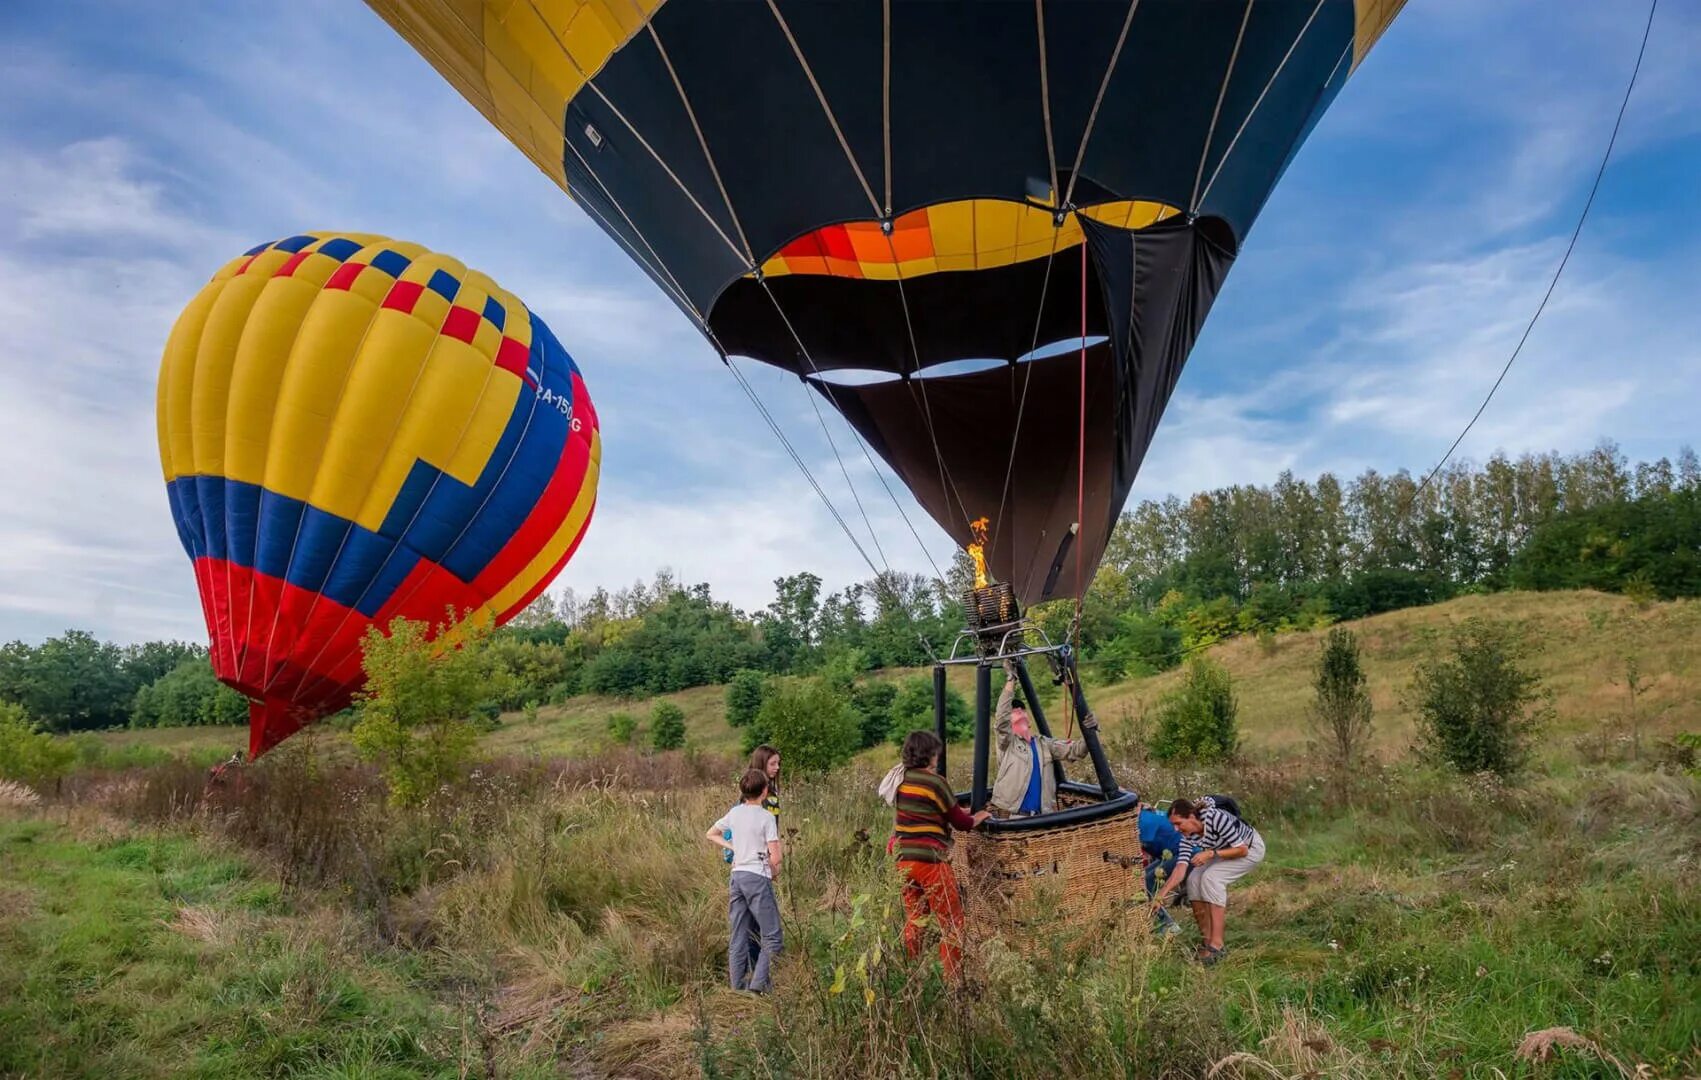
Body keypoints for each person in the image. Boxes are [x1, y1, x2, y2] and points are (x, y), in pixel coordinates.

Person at [892, 730, 990, 980]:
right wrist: (976, 817)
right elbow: (960, 822)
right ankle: (953, 979)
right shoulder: (936, 782)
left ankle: (910, 971)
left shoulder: (903, 780)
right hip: (930, 861)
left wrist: (959, 812)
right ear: (929, 754)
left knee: (916, 919)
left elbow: (926, 811)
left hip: (904, 860)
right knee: (951, 921)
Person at [1151, 796, 1265, 964]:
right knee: (1194, 880)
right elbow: (1180, 869)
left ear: (1191, 816)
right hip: (1223, 851)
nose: (1176, 829)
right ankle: (1207, 941)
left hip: (1249, 848)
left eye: (1178, 823)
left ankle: (1217, 946)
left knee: (1211, 878)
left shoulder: (1215, 818)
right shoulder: (1187, 836)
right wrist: (1160, 895)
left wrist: (1211, 853)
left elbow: (1242, 850)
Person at [707, 768, 784, 992]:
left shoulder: (735, 813)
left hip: (737, 875)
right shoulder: (766, 817)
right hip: (757, 876)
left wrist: (734, 847)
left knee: (739, 933)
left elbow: (711, 833)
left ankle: (737, 987)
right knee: (772, 936)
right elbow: (776, 856)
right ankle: (758, 987)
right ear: (765, 791)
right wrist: (774, 871)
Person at [991, 659, 1088, 816]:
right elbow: (1001, 718)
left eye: (1020, 709)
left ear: (1028, 720)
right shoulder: (1007, 743)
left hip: (1042, 817)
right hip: (1015, 816)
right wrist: (1011, 678)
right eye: (1013, 710)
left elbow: (1075, 751)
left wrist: (1089, 731)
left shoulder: (1044, 745)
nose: (1017, 711)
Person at [1135, 799, 1184, 935]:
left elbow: (1137, 852)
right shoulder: (1144, 815)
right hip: (1172, 853)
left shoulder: (1144, 820)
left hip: (1183, 853)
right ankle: (1157, 922)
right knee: (1145, 878)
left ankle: (1168, 926)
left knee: (1146, 882)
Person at [749, 745, 781, 817]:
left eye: (778, 763)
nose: (777, 767)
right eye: (772, 764)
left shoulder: (772, 789)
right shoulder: (749, 791)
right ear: (761, 764)